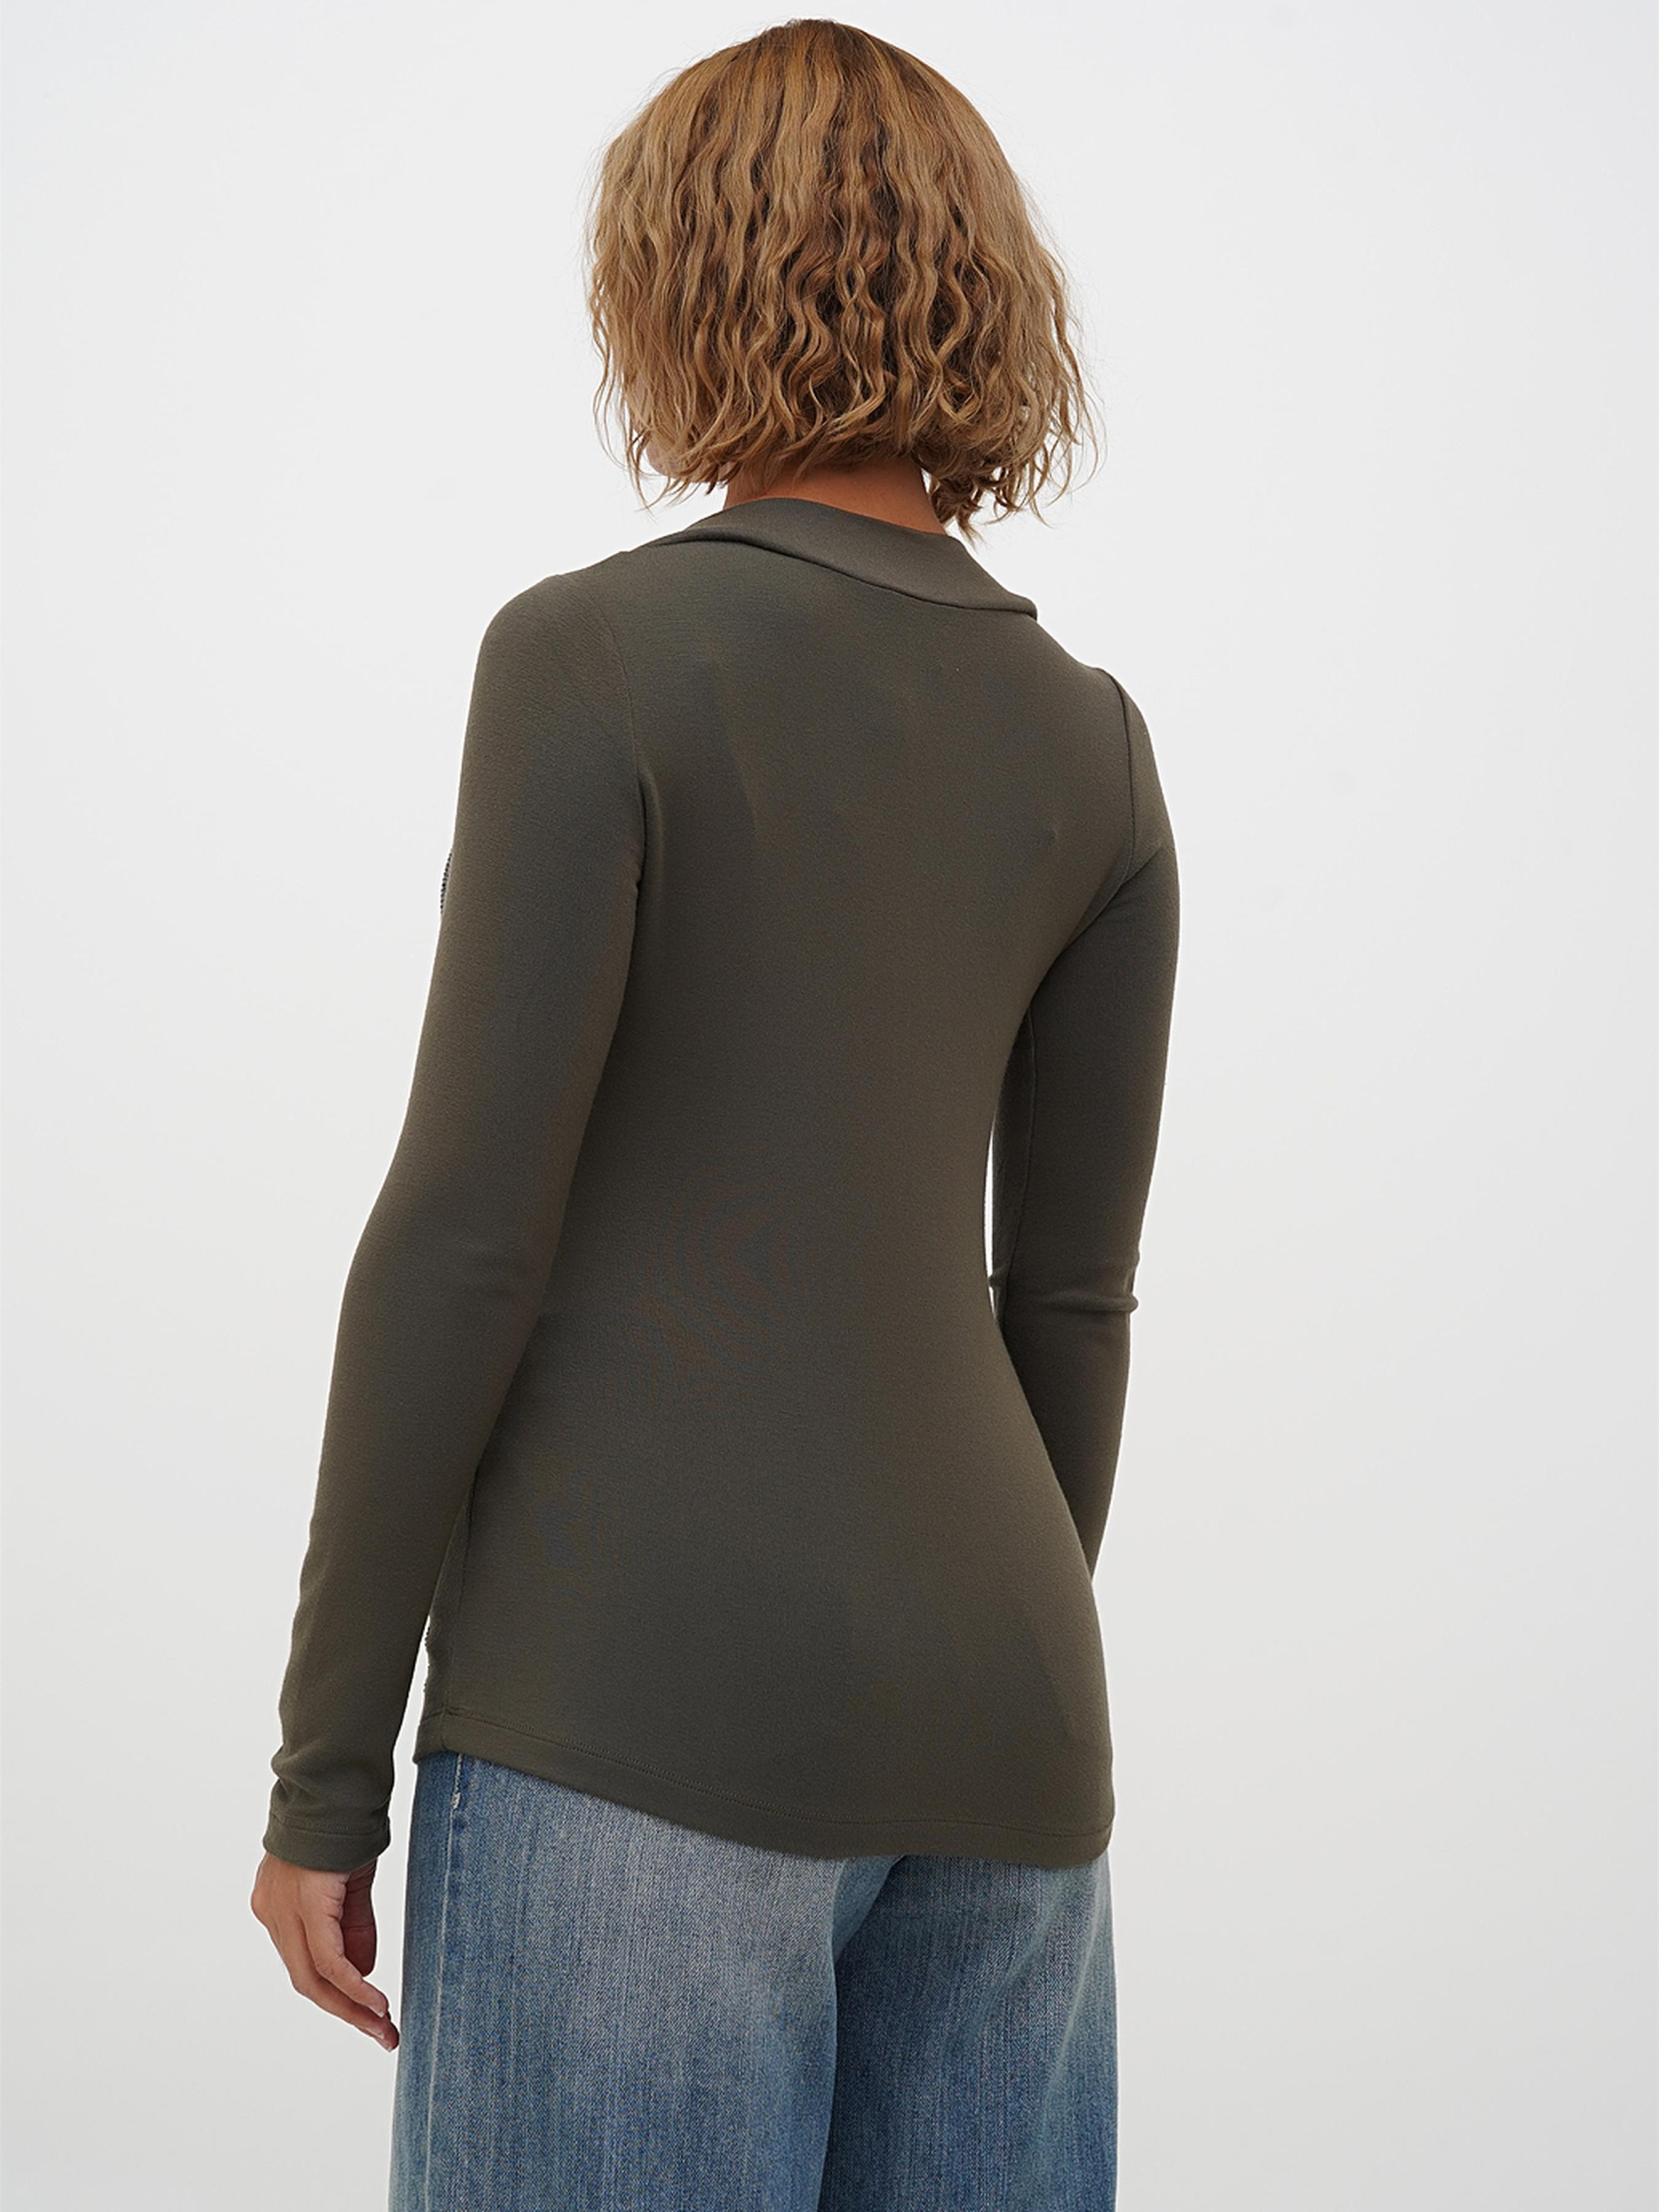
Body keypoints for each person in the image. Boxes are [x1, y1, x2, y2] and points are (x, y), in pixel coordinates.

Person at [249, 20, 1180, 2210]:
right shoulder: (1093, 739)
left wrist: (323, 1775)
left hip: (632, 1715)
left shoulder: (595, 659)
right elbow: (1068, 1303)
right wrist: (943, 1676)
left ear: (679, 286)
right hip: (1010, 1729)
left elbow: (463, 1236)